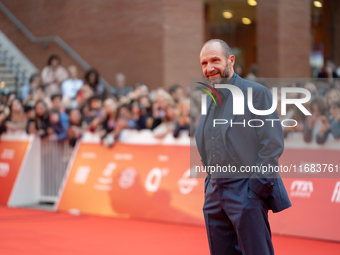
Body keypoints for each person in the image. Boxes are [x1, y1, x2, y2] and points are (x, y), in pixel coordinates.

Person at [195, 39, 291, 255]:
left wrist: (255, 189)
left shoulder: (256, 93)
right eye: (204, 63)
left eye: (214, 60)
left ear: (231, 60)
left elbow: (272, 144)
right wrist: (210, 183)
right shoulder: (209, 97)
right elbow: (207, 140)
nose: (209, 68)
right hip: (214, 193)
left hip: (246, 190)